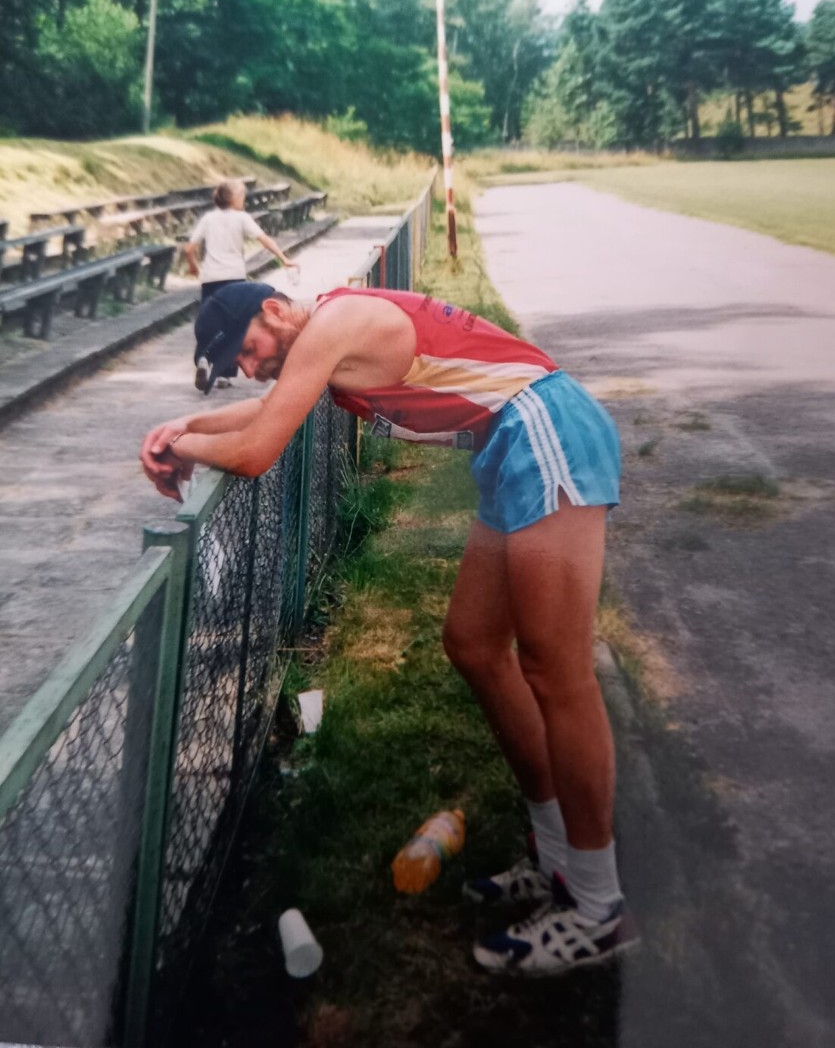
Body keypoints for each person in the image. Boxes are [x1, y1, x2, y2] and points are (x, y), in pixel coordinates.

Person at [139, 281, 639, 976]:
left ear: (276, 311)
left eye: (246, 350)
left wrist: (192, 447)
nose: (248, 369)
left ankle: (597, 906)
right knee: (474, 646)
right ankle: (556, 861)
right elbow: (262, 411)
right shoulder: (328, 332)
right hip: (510, 441)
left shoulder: (336, 321)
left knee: (558, 673)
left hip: (545, 428)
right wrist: (178, 431)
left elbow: (258, 451)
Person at [184, 179, 299, 390]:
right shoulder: (241, 218)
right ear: (234, 198)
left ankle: (203, 359)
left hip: (210, 277)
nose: (244, 200)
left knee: (210, 322)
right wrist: (284, 259)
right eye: (242, 196)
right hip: (234, 279)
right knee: (233, 327)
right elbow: (263, 239)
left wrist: (193, 267)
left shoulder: (209, 218)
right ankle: (224, 375)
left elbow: (189, 248)